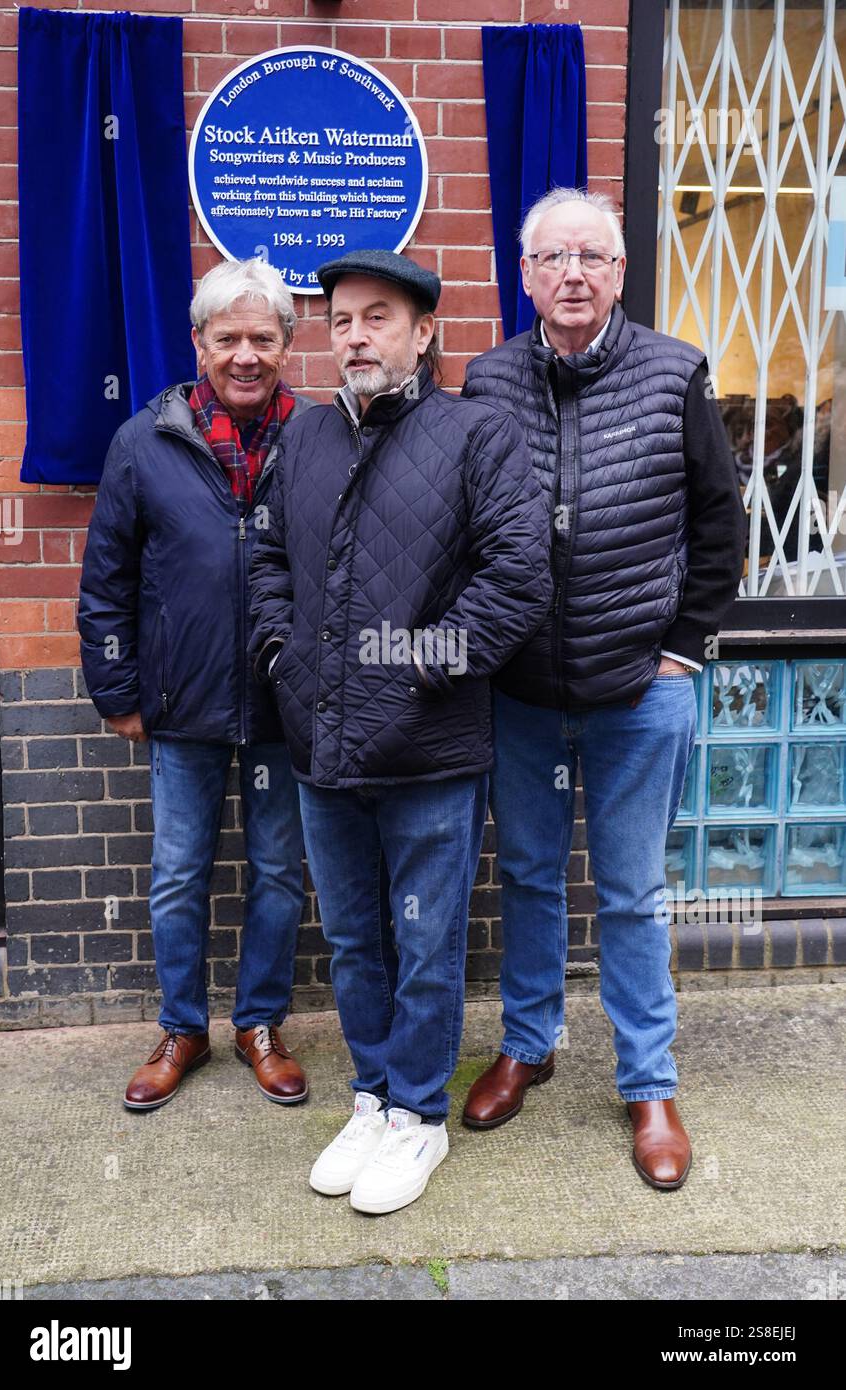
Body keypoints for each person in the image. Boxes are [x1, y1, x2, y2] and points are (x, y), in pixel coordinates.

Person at [249, 249, 551, 1214]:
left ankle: (419, 1115)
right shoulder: (303, 441)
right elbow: (263, 560)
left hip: (427, 745)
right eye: (340, 319)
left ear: (424, 332)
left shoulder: (477, 434)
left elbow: (516, 574)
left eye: (378, 317)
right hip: (321, 741)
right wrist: (277, 658)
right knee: (352, 940)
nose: (355, 335)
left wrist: (424, 660)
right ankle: (373, 1096)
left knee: (425, 942)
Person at [461, 188, 746, 1189]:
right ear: (526, 274)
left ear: (618, 274)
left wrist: (682, 647)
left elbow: (719, 529)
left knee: (630, 893)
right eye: (553, 257)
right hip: (523, 695)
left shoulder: (674, 374)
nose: (573, 272)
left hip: (640, 688)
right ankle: (528, 1043)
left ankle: (647, 1082)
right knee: (530, 878)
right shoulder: (485, 381)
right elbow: (461, 530)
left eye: (592, 256)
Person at [78, 258, 313, 1113]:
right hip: (180, 705)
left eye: (262, 337)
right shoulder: (146, 442)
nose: (245, 355)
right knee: (179, 873)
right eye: (228, 339)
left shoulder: (319, 436)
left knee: (280, 872)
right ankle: (183, 1026)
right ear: (198, 344)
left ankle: (260, 1024)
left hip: (286, 705)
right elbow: (106, 582)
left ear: (288, 344)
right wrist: (118, 692)